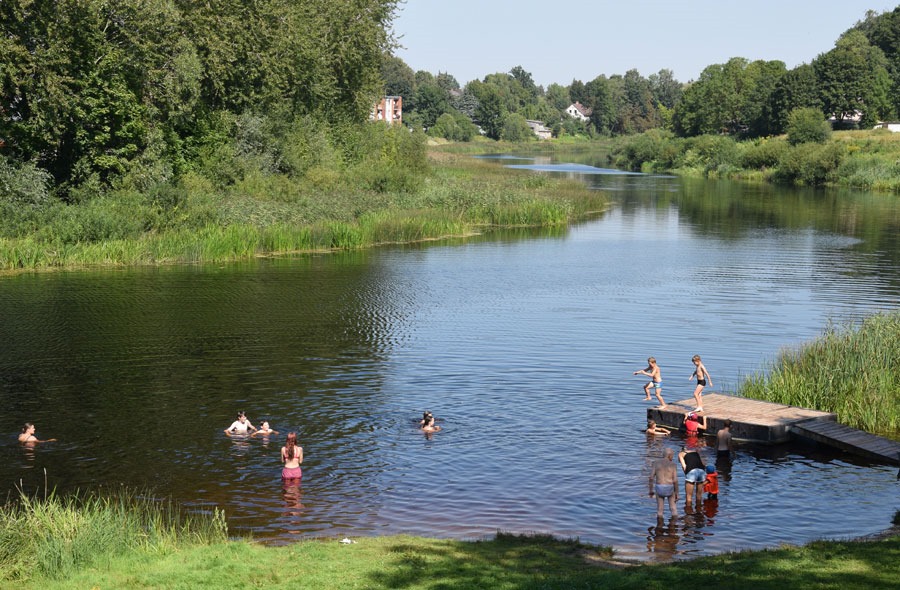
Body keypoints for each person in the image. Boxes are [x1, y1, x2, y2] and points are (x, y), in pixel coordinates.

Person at [649, 448, 679, 518]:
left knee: (660, 509)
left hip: (660, 487)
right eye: (672, 456)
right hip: (670, 487)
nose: (672, 457)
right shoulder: (673, 465)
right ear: (669, 455)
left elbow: (651, 478)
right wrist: (677, 493)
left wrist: (651, 490)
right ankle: (674, 525)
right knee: (673, 508)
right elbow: (675, 480)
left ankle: (659, 526)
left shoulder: (656, 463)